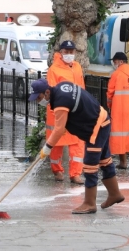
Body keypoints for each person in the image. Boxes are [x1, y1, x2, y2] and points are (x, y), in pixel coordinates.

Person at [31, 78, 124, 214]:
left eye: (38, 98)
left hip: (96, 128)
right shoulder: (62, 87)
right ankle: (115, 194)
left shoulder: (60, 102)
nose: (38, 101)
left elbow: (59, 129)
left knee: (90, 165)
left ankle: (89, 203)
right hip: (102, 120)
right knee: (104, 160)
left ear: (46, 92)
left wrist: (47, 147)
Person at [44, 40, 86, 184]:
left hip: (75, 111)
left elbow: (82, 88)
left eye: (71, 52)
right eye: (66, 52)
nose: (69, 54)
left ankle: (75, 174)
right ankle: (57, 171)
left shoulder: (77, 67)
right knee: (56, 143)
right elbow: (52, 92)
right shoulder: (54, 69)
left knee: (77, 144)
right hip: (60, 110)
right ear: (60, 52)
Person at [106, 52, 129, 169]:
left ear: (120, 62)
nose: (114, 64)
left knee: (120, 135)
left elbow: (110, 93)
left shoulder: (116, 74)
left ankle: (123, 162)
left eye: (115, 62)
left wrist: (109, 105)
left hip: (120, 109)